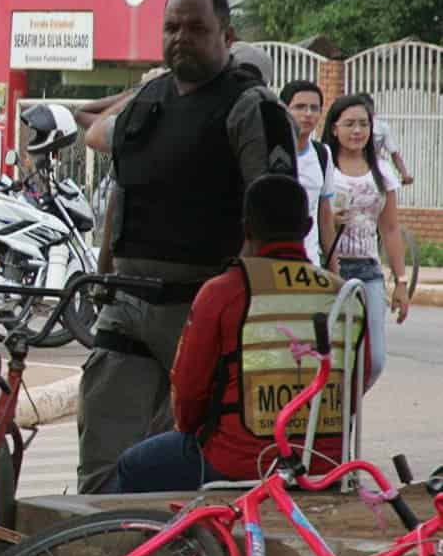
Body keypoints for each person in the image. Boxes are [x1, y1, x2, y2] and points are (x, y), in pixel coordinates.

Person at [72, 0, 297, 494]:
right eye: (173, 28)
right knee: (103, 446)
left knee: (187, 455)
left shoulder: (251, 107)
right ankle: (101, 552)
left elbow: (274, 214)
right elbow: (121, 193)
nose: (182, 39)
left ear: (227, 36)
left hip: (205, 308)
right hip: (127, 300)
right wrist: (103, 274)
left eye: (196, 28)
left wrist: (236, 298)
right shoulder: (145, 101)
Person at [110, 174, 366, 493]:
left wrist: (195, 433)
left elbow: (189, 397)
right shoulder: (344, 296)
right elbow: (358, 383)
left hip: (237, 464)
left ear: (246, 228)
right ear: (308, 227)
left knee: (133, 465)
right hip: (327, 466)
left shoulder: (224, 291)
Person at [319, 94, 409, 388]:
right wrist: (329, 222)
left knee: (374, 360)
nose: (357, 131)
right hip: (328, 270)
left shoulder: (383, 172)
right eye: (349, 124)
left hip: (368, 271)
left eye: (363, 124)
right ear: (334, 128)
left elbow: (391, 229)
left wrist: (401, 282)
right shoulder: (323, 166)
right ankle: (331, 421)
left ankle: (346, 410)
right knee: (328, 357)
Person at [280, 79, 336, 267]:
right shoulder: (268, 154)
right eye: (300, 107)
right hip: (271, 265)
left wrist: (334, 268)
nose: (308, 114)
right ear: (283, 109)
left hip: (309, 265)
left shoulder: (323, 154)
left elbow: (325, 217)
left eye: (315, 108)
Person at [373, 117, 416, 188]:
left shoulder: (381, 127)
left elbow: (394, 154)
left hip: (375, 165)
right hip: (352, 165)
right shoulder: (350, 126)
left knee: (389, 184)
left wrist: (404, 175)